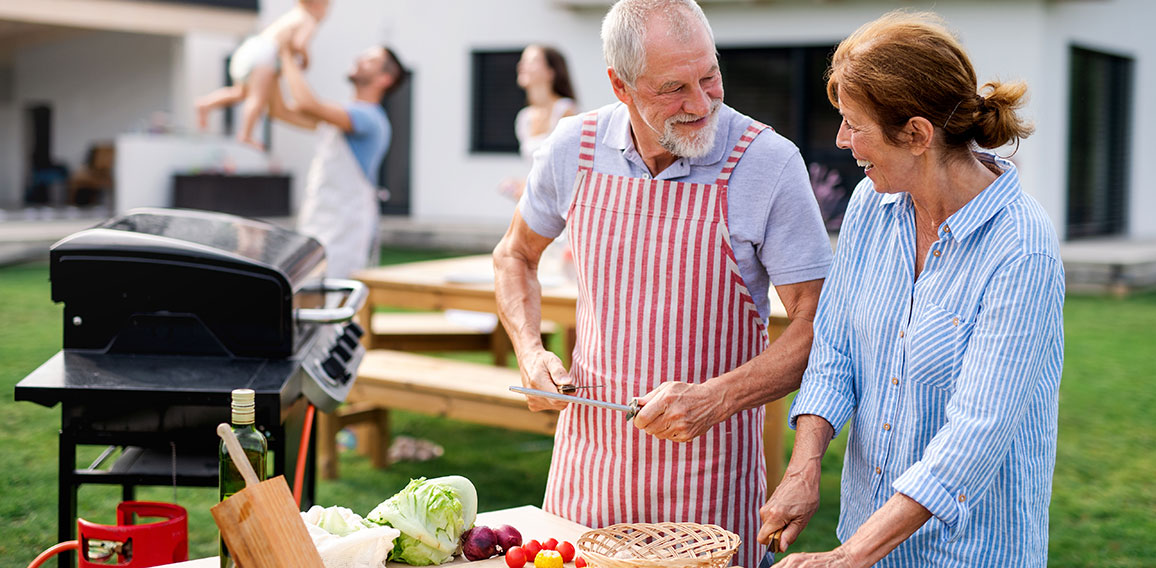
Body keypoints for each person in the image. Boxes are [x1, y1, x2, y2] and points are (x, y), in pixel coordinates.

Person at [491, 1, 832, 566]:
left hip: (710, 485)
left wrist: (715, 398)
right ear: (620, 86)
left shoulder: (767, 163)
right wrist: (529, 350)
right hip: (587, 472)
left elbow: (818, 327)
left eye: (710, 76)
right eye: (674, 88)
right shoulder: (571, 146)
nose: (701, 104)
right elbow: (513, 256)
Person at [756, 11, 1064, 567]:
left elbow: (974, 437)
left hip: (968, 553)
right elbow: (834, 351)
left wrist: (849, 555)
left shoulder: (1022, 249)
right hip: (866, 535)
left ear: (917, 134)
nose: (841, 139)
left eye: (854, 124)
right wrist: (804, 467)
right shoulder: (871, 206)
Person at [281, 44, 407, 278]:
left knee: (332, 298)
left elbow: (308, 104)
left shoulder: (369, 118)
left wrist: (287, 54)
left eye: (370, 60)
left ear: (384, 79)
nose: (359, 58)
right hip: (319, 216)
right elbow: (280, 111)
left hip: (344, 227)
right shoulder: (341, 115)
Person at [195, 0, 330, 149]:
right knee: (257, 98)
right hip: (266, 55)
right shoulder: (308, 19)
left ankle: (205, 104)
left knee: (240, 93)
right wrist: (306, 59)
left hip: (251, 49)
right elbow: (299, 44)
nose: (326, 13)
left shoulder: (293, 14)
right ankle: (246, 134)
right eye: (326, 7)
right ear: (316, 5)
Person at [498, 45, 578, 202]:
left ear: (551, 72)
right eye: (523, 60)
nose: (522, 65)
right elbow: (537, 172)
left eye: (532, 61)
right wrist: (520, 185)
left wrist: (530, 189)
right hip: (537, 204)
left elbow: (572, 169)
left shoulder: (566, 111)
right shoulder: (524, 118)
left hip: (561, 205)